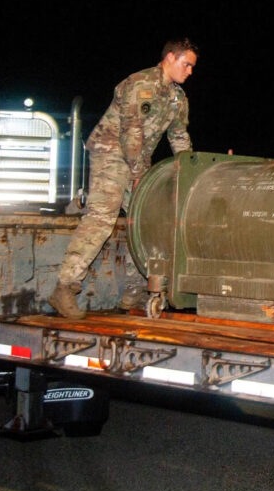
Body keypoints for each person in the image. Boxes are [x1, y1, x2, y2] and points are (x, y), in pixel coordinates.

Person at [48, 38, 197, 319]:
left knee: (144, 221)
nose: (189, 71)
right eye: (186, 64)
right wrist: (140, 176)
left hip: (138, 159)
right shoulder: (140, 84)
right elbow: (131, 134)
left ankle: (134, 292)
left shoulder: (178, 99)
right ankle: (64, 288)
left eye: (191, 66)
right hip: (111, 152)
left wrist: (189, 172)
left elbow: (179, 138)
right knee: (103, 215)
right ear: (169, 58)